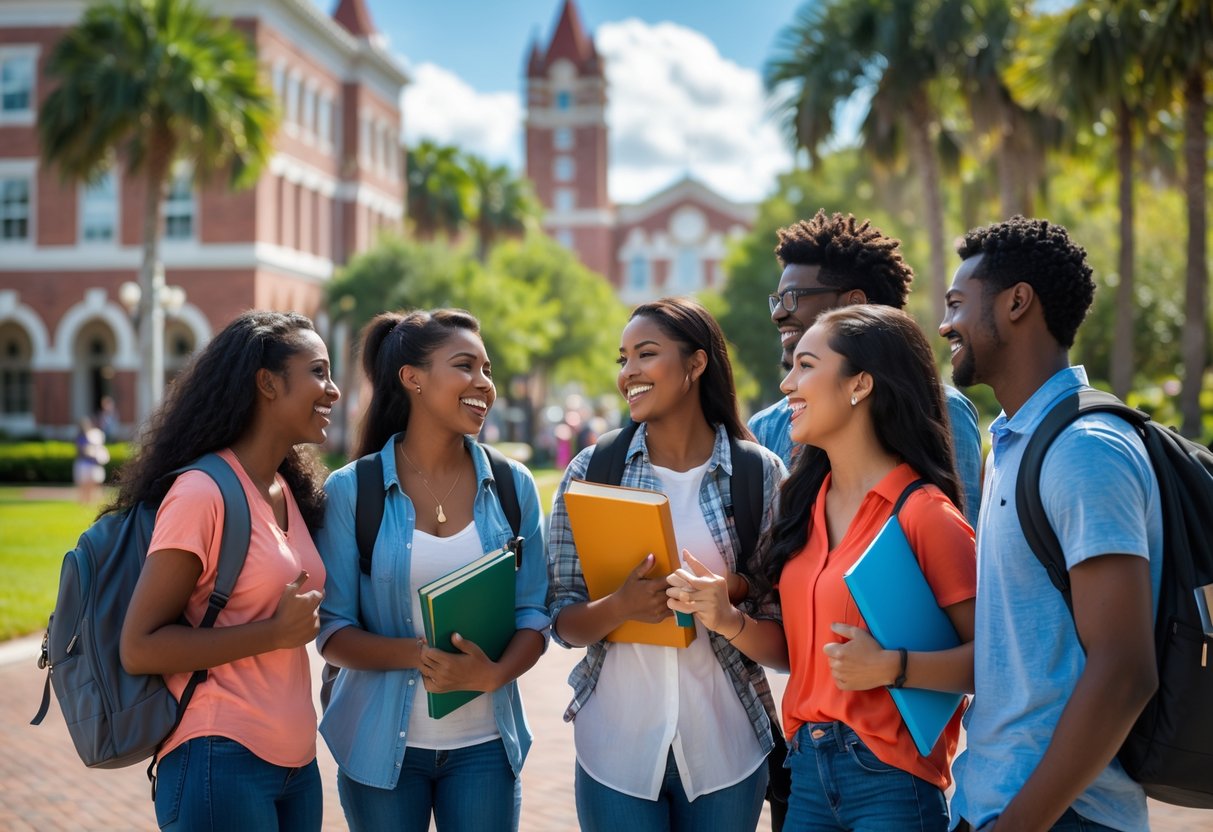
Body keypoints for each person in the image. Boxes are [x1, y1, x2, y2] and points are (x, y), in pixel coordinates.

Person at [672, 304, 977, 831]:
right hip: (807, 771)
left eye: (806, 365)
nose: (788, 382)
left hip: (892, 779)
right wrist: (727, 618)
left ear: (860, 384)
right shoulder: (801, 507)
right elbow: (798, 654)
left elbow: (994, 663)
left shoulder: (926, 514)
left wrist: (894, 667)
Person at [941, 216, 1162, 832]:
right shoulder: (1011, 446)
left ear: (1016, 303)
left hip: (1065, 817)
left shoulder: (1084, 449)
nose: (945, 323)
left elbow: (1124, 669)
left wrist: (1020, 824)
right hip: (992, 802)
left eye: (958, 303)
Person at [547, 297, 787, 832]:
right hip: (615, 750)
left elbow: (784, 636)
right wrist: (621, 606)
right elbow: (561, 618)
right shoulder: (594, 469)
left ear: (696, 364)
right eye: (623, 358)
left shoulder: (759, 474)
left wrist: (730, 600)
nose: (628, 372)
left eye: (645, 354)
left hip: (728, 749)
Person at [315, 309, 549, 832]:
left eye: (487, 370)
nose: (483, 384)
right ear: (413, 378)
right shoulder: (353, 491)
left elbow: (534, 612)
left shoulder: (514, 486)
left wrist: (492, 673)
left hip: (485, 748)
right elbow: (332, 631)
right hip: (379, 753)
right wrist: (419, 656)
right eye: (465, 366)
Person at [118, 311, 339, 831]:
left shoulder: (287, 489)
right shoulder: (202, 492)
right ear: (267, 383)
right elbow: (140, 645)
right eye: (318, 372)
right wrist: (272, 633)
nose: (332, 390)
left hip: (297, 765)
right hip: (220, 757)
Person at [748, 210, 983, 526]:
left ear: (853, 302)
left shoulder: (941, 409)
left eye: (791, 298)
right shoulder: (767, 427)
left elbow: (960, 536)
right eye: (776, 300)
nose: (778, 314)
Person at [73, 416, 109, 505]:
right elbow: (80, 451)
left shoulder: (94, 435)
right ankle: (84, 501)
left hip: (94, 465)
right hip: (84, 465)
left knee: (95, 484)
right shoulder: (80, 437)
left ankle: (94, 501)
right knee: (84, 484)